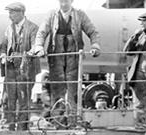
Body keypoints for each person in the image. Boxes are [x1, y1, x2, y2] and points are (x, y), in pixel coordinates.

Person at [29, 0, 100, 128]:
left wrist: (95, 45)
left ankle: (73, 122)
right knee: (57, 90)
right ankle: (58, 123)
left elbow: (92, 31)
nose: (63, 4)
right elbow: (42, 32)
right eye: (61, 1)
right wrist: (39, 47)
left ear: (71, 1)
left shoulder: (80, 15)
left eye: (66, 1)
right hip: (56, 57)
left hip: (73, 56)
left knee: (73, 90)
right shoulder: (51, 15)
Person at [0, 3, 39, 131]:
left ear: (21, 12)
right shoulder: (9, 28)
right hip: (10, 69)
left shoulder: (33, 28)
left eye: (12, 13)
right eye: (9, 13)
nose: (9, 16)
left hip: (26, 69)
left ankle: (22, 129)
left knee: (23, 100)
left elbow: (36, 47)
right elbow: (3, 45)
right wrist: (3, 55)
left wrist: (23, 56)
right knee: (8, 99)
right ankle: (9, 127)